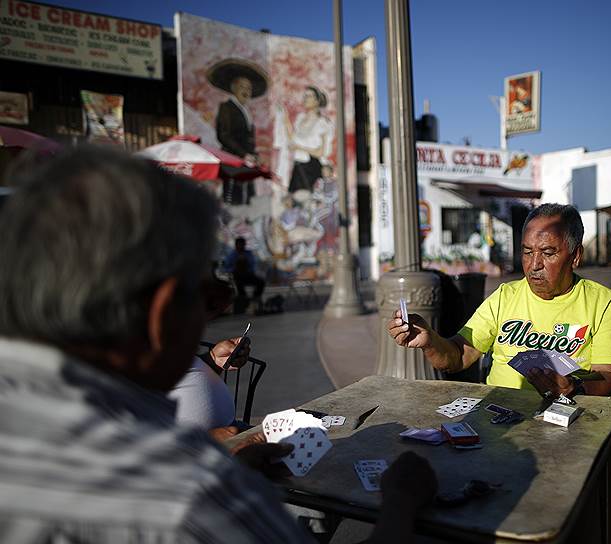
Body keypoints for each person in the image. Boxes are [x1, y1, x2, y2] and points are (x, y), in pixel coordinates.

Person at [0, 147, 438, 543]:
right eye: (209, 296)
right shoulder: (191, 496)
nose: (217, 308)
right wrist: (402, 502)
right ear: (162, 313)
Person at [388, 203, 611, 398]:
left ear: (575, 256)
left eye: (548, 253)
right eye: (527, 252)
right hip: (500, 420)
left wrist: (574, 388)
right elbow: (459, 356)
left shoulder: (604, 303)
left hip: (571, 421)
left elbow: (609, 376)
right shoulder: (505, 296)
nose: (534, 265)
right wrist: (430, 341)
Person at [208, 58, 268, 204]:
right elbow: (224, 135)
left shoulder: (246, 111)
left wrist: (254, 155)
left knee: (248, 197)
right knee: (232, 197)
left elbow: (248, 139)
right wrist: (243, 154)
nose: (246, 91)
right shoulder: (226, 107)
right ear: (234, 88)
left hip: (247, 162)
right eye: (242, 87)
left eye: (248, 88)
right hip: (232, 160)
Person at [283, 86, 334, 194]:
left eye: (309, 96)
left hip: (312, 168)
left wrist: (299, 148)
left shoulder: (323, 123)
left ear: (317, 101)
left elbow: (321, 152)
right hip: (298, 167)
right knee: (295, 201)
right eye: (304, 96)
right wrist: (285, 120)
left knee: (310, 202)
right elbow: (293, 138)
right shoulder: (300, 118)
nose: (305, 98)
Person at [224, 236, 265, 307]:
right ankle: (243, 300)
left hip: (248, 275)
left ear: (244, 245)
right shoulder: (231, 255)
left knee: (261, 282)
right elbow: (226, 268)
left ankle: (255, 298)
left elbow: (252, 265)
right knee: (238, 284)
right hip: (237, 276)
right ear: (236, 245)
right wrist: (234, 269)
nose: (241, 246)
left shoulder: (248, 254)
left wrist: (246, 265)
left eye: (242, 244)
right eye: (239, 245)